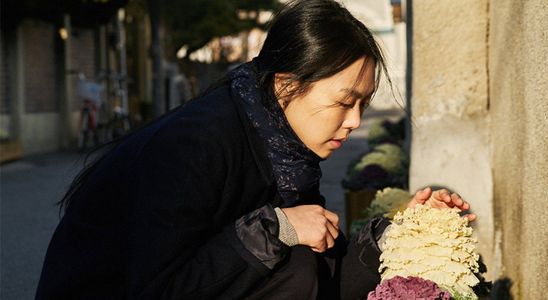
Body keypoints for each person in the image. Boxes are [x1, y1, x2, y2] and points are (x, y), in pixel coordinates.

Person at [36, 1, 475, 299]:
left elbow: (327, 276)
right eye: (344, 102)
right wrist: (276, 228)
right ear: (286, 84)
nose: (356, 120)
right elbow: (158, 288)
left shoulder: (285, 154)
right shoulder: (192, 149)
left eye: (363, 102)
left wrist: (399, 235)